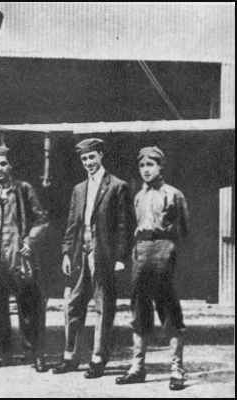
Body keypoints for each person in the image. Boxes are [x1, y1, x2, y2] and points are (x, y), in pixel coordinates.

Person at [53, 138, 134, 378]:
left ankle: (98, 359)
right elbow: (71, 225)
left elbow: (123, 226)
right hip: (80, 253)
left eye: (91, 157)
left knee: (103, 306)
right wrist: (66, 252)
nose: (88, 162)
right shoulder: (79, 189)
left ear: (101, 155)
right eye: (84, 159)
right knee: (73, 304)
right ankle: (70, 357)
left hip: (104, 255)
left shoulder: (117, 186)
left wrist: (120, 257)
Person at [116, 146, 189, 391]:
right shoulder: (138, 197)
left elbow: (185, 232)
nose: (146, 170)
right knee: (138, 310)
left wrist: (172, 254)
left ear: (160, 166)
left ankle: (176, 369)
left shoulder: (174, 194)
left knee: (169, 310)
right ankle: (138, 367)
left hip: (164, 254)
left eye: (151, 165)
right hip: (141, 255)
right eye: (142, 166)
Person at [0, 145, 50, 372]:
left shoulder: (23, 189)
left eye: (2, 164)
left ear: (10, 166)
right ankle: (3, 354)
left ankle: (36, 354)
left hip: (18, 259)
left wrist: (29, 241)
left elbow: (42, 219)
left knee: (30, 308)